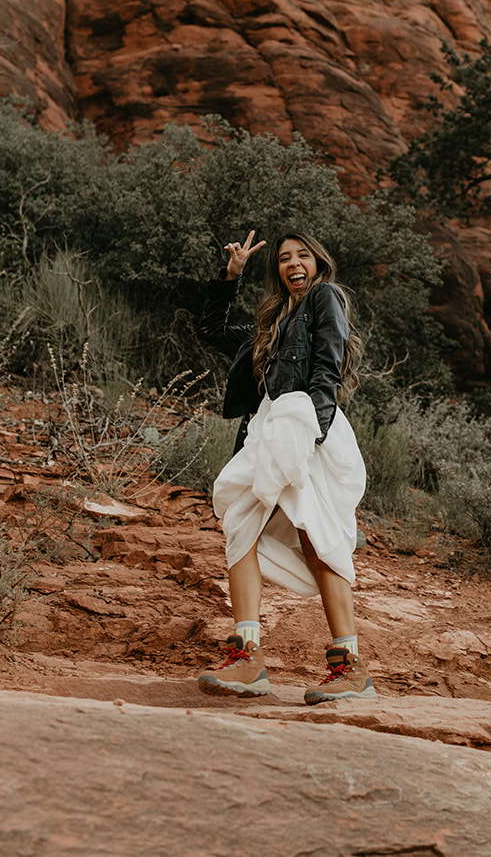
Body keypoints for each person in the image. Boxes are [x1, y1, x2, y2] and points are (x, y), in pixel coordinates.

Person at [194, 230, 376, 704]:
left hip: (305, 428)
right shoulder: (271, 322)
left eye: (302, 256)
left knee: (319, 542)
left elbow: (327, 370)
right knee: (240, 527)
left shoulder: (325, 297)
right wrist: (231, 276)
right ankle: (248, 656)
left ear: (318, 261)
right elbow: (211, 328)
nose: (293, 264)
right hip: (268, 431)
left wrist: (310, 437)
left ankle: (351, 668)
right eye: (283, 259)